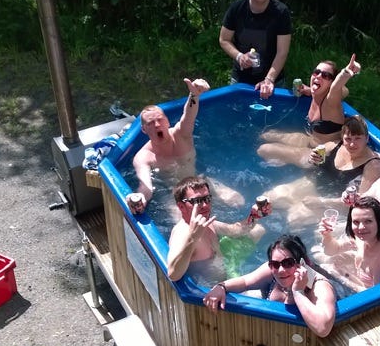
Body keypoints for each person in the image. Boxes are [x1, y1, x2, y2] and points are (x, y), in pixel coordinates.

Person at [125, 78, 244, 214]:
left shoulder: (181, 135)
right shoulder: (143, 157)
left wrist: (194, 95)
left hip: (197, 181)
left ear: (167, 121)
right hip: (174, 194)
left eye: (160, 119)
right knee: (184, 220)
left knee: (237, 201)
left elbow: (188, 116)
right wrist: (140, 198)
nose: (157, 125)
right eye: (151, 123)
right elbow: (146, 186)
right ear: (144, 129)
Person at [261, 115, 380, 226]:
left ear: (367, 138)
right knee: (269, 199)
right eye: (348, 139)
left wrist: (322, 202)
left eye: (357, 138)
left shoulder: (373, 165)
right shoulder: (334, 145)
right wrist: (312, 159)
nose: (352, 144)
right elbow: (310, 160)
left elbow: (361, 202)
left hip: (335, 202)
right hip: (312, 184)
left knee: (294, 218)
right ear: (342, 137)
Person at [203, 234, 336, 337]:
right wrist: (221, 287)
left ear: (302, 263)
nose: (281, 270)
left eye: (288, 263)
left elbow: (323, 329)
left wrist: (298, 292)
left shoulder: (319, 286)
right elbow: (245, 282)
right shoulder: (271, 270)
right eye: (275, 264)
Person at [167, 175, 272, 283]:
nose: (205, 205)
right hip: (212, 286)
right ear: (181, 206)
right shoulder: (182, 233)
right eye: (197, 201)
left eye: (207, 199)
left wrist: (255, 215)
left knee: (258, 230)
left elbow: (235, 230)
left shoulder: (206, 222)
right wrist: (192, 239)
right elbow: (173, 275)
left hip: (226, 265)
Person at [257, 54, 360, 163]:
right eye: (316, 72)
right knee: (267, 135)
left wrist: (346, 72)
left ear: (331, 83)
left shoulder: (330, 103)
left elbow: (337, 87)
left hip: (320, 156)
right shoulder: (316, 94)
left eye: (325, 75)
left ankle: (288, 162)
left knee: (263, 150)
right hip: (311, 140)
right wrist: (310, 90)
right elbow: (345, 91)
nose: (318, 76)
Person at [219, 0, 292, 99]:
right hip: (240, 81)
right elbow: (224, 39)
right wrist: (239, 56)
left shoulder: (281, 12)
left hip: (273, 82)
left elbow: (282, 52)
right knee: (237, 112)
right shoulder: (236, 9)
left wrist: (269, 80)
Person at [317, 196, 380, 293]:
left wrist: (342, 277)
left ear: (379, 222)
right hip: (365, 277)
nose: (361, 227)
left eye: (368, 221)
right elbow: (333, 250)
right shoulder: (363, 236)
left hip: (378, 292)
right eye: (356, 222)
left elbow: (377, 295)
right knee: (320, 256)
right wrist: (327, 235)